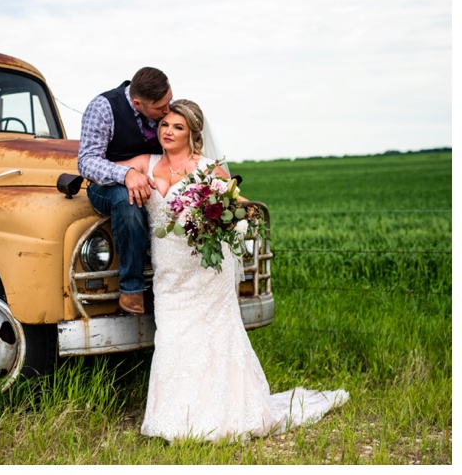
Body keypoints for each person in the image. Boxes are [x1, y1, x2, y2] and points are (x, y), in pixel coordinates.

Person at [119, 99, 349, 442]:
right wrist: (129, 174)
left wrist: (216, 213)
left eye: (178, 127)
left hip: (206, 270)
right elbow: (103, 168)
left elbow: (239, 208)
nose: (168, 131)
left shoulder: (210, 168)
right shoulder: (145, 162)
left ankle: (222, 414)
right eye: (165, 124)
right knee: (171, 336)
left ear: (193, 133)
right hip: (169, 274)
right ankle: (173, 417)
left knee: (213, 337)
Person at [77, 67, 173, 315]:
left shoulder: (165, 105)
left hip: (158, 178)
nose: (167, 111)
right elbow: (86, 161)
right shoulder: (103, 108)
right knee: (128, 200)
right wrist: (126, 174)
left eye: (169, 101)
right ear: (137, 103)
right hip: (107, 185)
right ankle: (132, 289)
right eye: (160, 108)